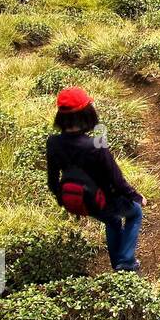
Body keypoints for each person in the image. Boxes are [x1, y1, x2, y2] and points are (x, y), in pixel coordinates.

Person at [46, 87, 144, 272]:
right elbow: (116, 179)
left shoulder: (53, 142)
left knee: (113, 221)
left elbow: (52, 180)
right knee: (135, 212)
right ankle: (126, 261)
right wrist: (136, 196)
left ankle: (119, 265)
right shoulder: (96, 145)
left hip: (76, 200)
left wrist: (62, 198)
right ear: (86, 113)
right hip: (102, 199)